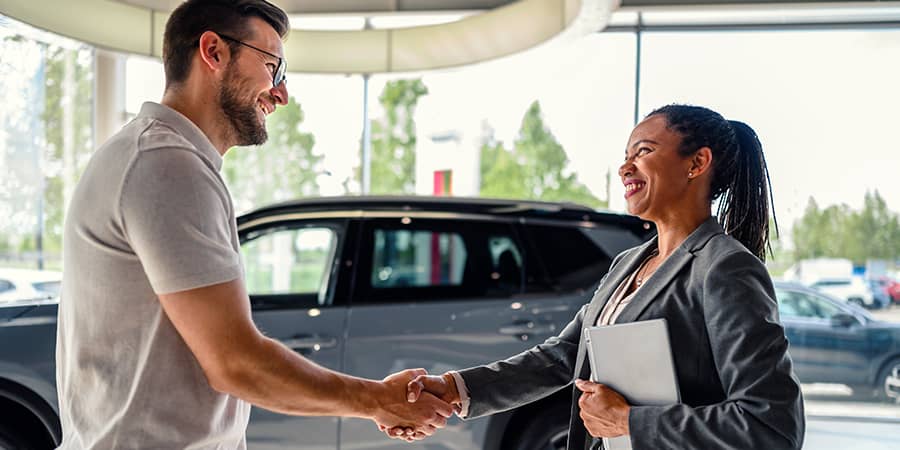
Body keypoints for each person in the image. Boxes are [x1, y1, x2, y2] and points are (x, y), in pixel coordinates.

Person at [56, 1, 452, 448]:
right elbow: (235, 362)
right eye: (273, 67)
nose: (281, 94)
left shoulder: (152, 155)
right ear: (214, 51)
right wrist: (377, 400)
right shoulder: (166, 164)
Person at [393, 104, 806, 449]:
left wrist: (631, 422)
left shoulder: (724, 268)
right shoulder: (627, 264)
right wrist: (454, 389)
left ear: (697, 163)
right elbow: (563, 357)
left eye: (643, 151)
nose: (626, 166)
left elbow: (771, 425)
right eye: (626, 153)